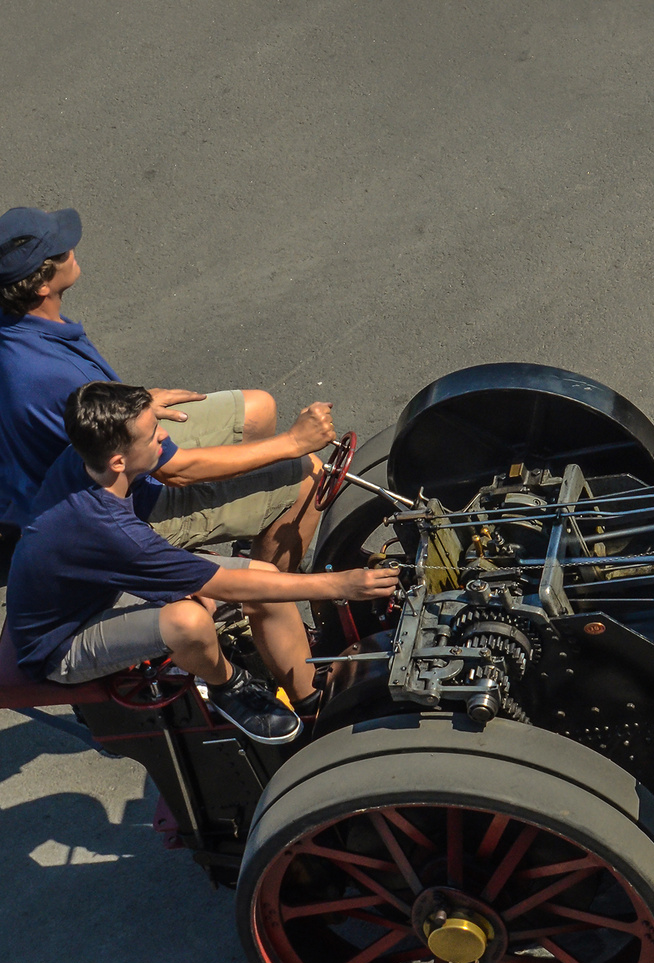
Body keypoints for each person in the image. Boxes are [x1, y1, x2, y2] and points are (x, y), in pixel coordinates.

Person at [3, 382, 399, 743]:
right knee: (189, 622)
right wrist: (341, 585)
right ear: (119, 462)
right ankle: (229, 685)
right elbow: (225, 586)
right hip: (60, 641)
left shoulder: (88, 456)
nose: (163, 433)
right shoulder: (110, 532)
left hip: (95, 588)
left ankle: (313, 702)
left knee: (265, 577)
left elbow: (90, 399)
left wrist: (144, 406)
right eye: (151, 433)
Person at [0, 205, 329, 572]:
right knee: (309, 474)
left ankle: (250, 537)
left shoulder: (17, 330)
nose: (72, 250)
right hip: (116, 505)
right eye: (61, 251)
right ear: (42, 284)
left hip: (65, 469)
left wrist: (132, 403)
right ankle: (256, 605)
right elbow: (175, 471)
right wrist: (294, 442)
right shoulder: (56, 374)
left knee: (258, 409)